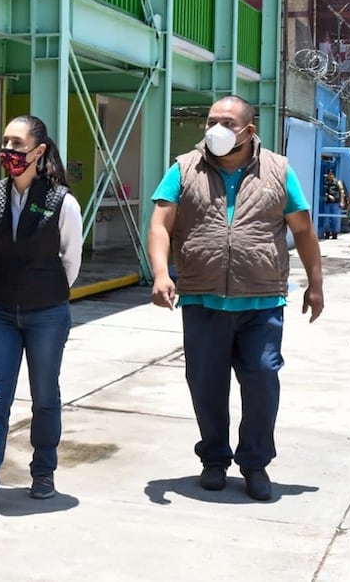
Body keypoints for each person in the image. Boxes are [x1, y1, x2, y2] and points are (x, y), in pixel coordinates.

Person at [147, 95, 324, 502]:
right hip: (202, 298)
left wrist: (315, 283)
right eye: (211, 121)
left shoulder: (278, 170)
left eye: (227, 122)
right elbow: (161, 223)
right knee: (205, 385)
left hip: (261, 301)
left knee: (262, 381)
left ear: (249, 130)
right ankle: (213, 459)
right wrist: (160, 273)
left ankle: (256, 463)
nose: (217, 129)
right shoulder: (184, 168)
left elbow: (302, 230)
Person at [0, 115, 82, 515]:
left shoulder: (62, 201)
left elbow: (70, 261)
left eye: (17, 144)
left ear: (38, 151)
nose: (8, 151)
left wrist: (42, 289)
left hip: (47, 313)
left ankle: (43, 472)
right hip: (2, 311)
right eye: (5, 143)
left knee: (44, 396)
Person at [320, 169, 345, 240]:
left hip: (336, 202)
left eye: (331, 174)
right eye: (329, 174)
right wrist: (328, 195)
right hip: (327, 202)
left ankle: (335, 233)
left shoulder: (338, 182)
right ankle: (327, 232)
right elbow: (322, 191)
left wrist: (342, 202)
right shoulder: (325, 182)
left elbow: (342, 192)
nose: (330, 176)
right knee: (326, 218)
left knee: (335, 218)